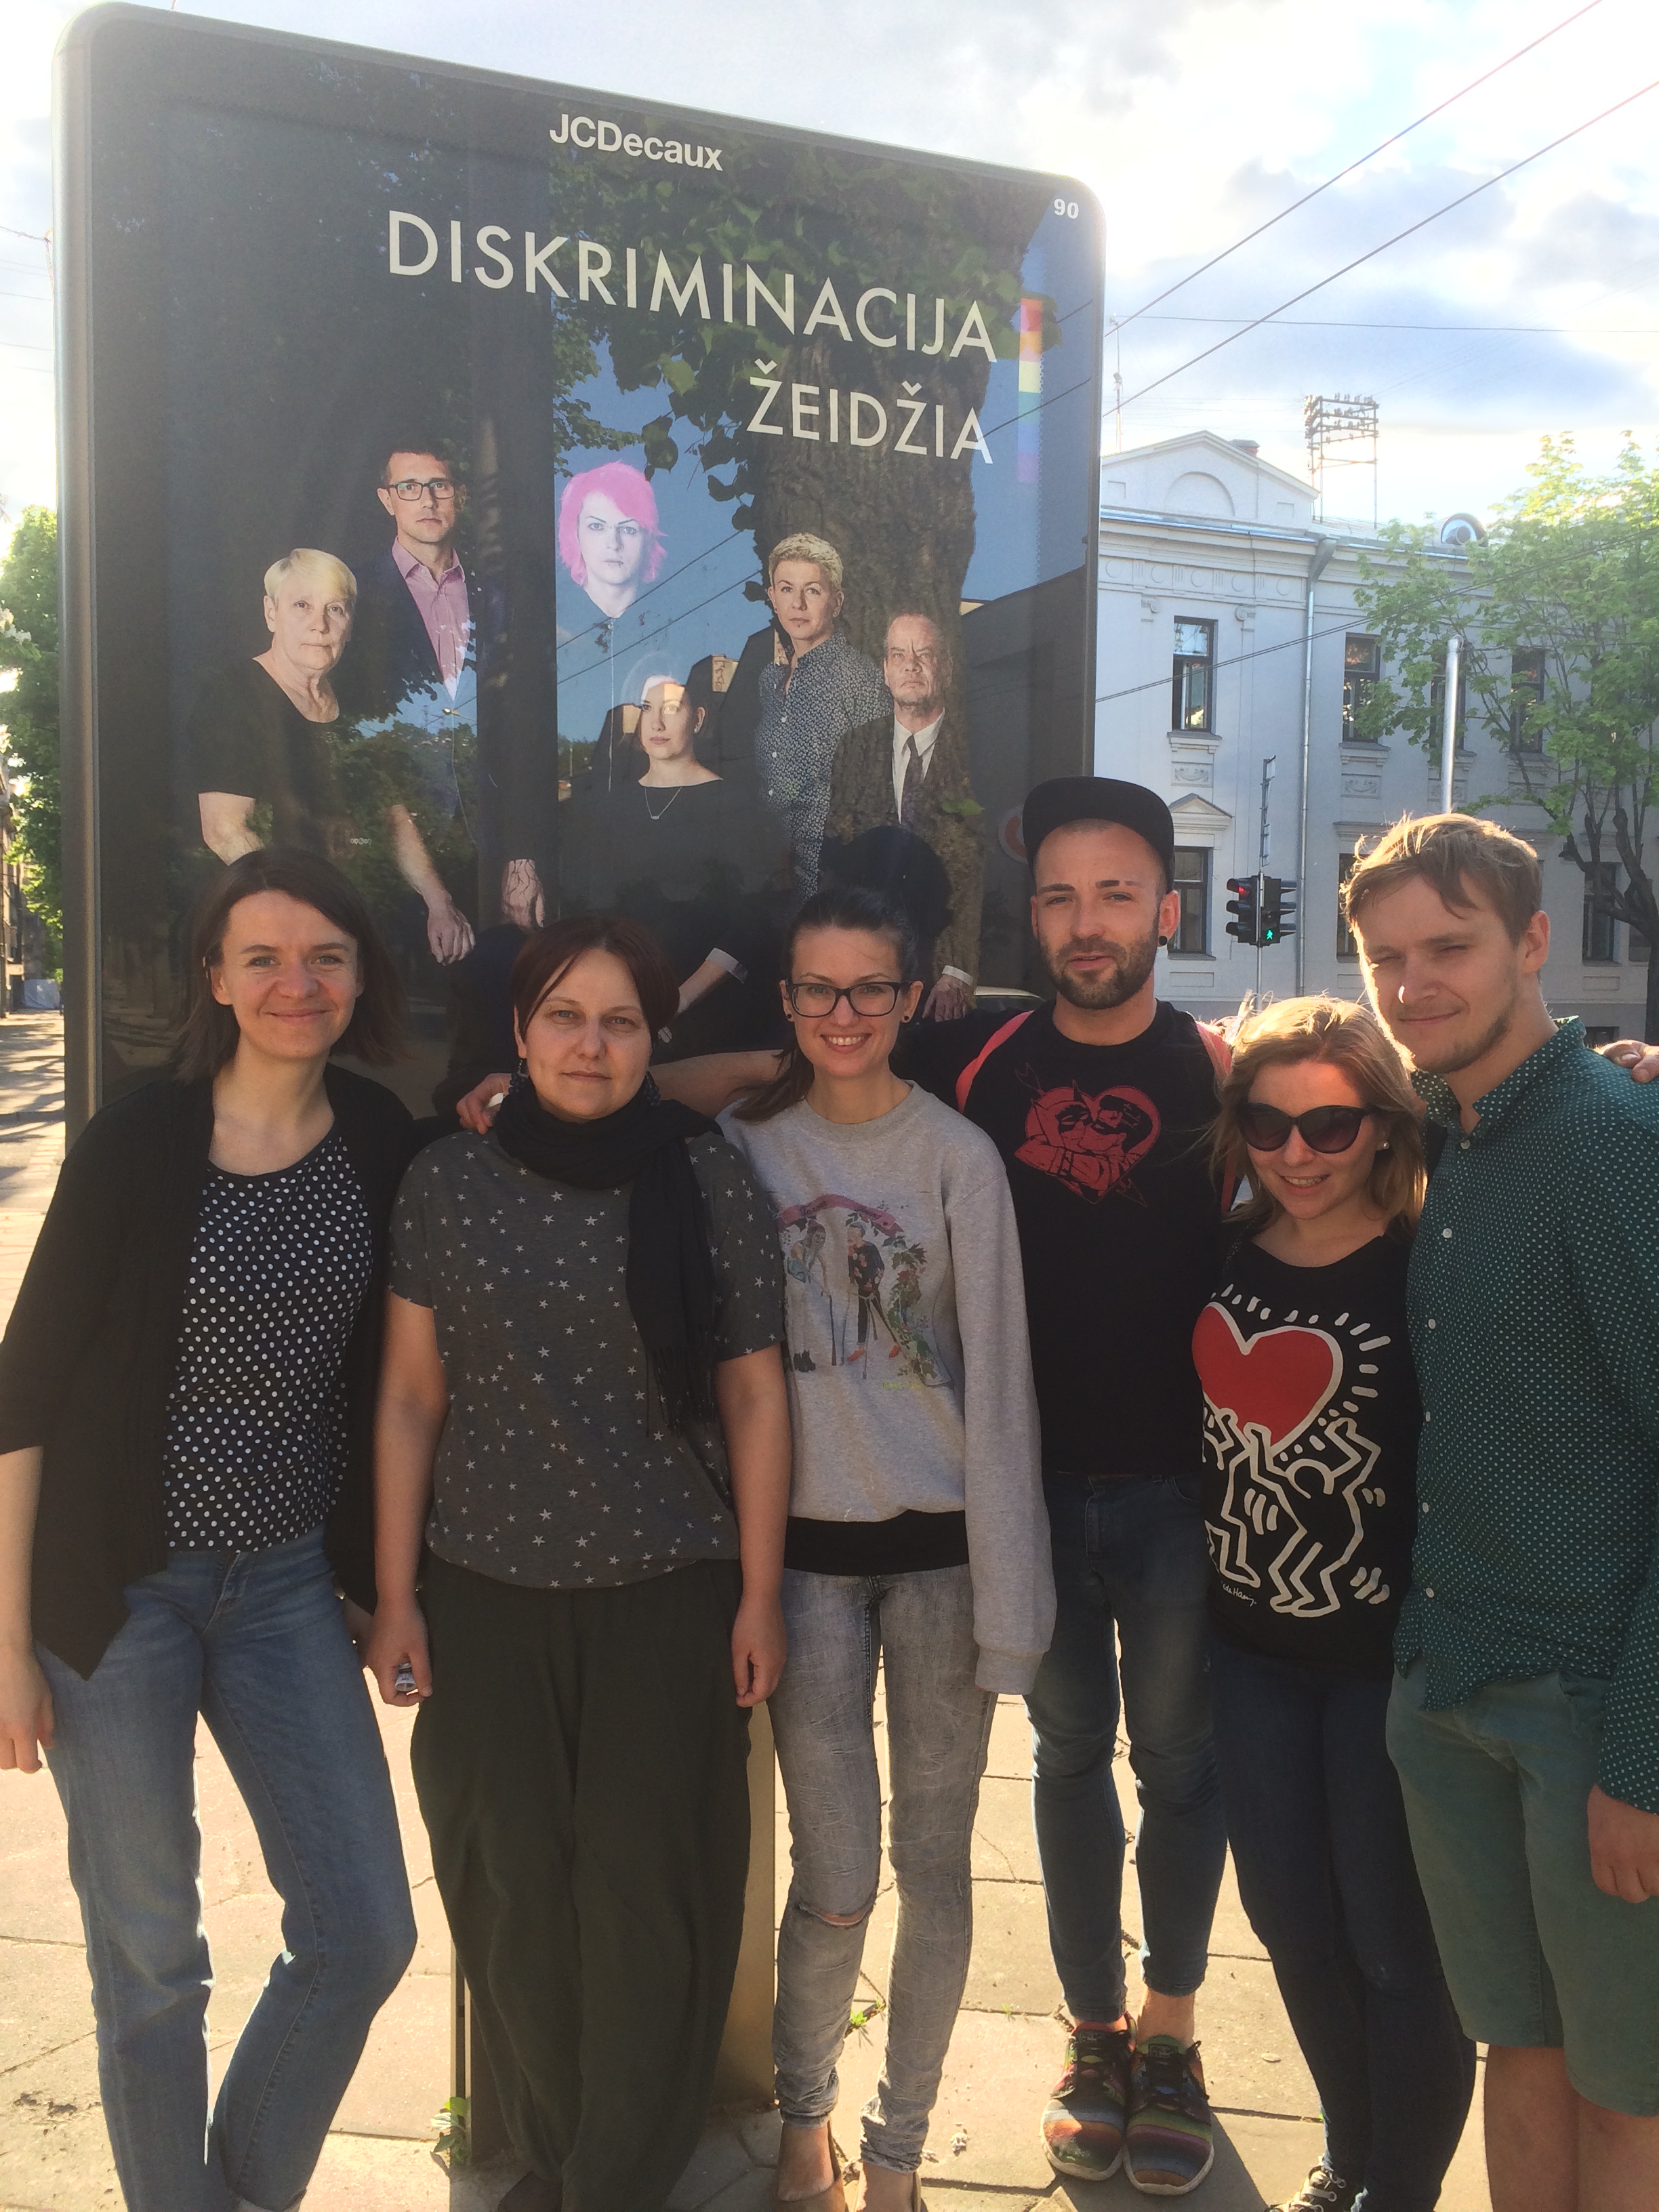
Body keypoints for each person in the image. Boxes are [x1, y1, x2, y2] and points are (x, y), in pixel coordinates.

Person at [0, 849, 421, 2212]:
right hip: (117, 1592)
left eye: (326, 957)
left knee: (363, 1933)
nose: (297, 983)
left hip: (286, 1587)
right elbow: (23, 1389)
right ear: (215, 979)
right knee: (153, 1966)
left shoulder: (381, 1137)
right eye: (263, 957)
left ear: (358, 977)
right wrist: (6, 1641)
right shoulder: (138, 1139)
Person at [364, 913, 791, 2212]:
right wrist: (395, 1594)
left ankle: (617, 2173)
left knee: (647, 1895)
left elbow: (753, 1395)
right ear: (518, 1029)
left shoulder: (708, 1180)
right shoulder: (448, 1182)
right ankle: (556, 2147)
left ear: (653, 1036)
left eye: (618, 1020)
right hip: (484, 1591)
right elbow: (410, 1398)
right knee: (508, 1887)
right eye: (563, 1015)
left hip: (664, 1589)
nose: (589, 1045)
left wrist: (759, 1594)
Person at [1340, 813, 1659, 2212]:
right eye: (1384, 956)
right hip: (1448, 1686)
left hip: (1589, 1710)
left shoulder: (1609, 1142)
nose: (1414, 984)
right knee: (1516, 2051)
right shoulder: (1454, 1133)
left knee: (1625, 2090)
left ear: (1532, 943)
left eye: (1449, 947)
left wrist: (1641, 1759)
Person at [718, 883, 1052, 2212]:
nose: (843, 1012)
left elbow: (1003, 1382)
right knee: (836, 1877)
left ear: (911, 997)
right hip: (798, 1568)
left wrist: (1011, 1607)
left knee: (934, 1865)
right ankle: (807, 2117)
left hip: (939, 1566)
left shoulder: (956, 1156)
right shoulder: (744, 1147)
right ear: (786, 999)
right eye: (817, 987)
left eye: (869, 987)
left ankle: (899, 2145)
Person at [1196, 996, 1474, 2212]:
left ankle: (1394, 2192)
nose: (1296, 1152)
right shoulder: (1224, 1247)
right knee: (1288, 1923)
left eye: (1328, 1125)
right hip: (1248, 1650)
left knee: (1393, 1945)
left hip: (1383, 1663)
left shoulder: (1425, 1264)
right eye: (1267, 1123)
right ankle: (1350, 2158)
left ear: (1383, 1126)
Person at [191, 547, 475, 965]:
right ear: (271, 613)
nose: (320, 625)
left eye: (335, 610)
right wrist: (305, 916)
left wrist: (439, 903)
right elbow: (225, 831)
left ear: (350, 625)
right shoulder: (233, 697)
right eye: (301, 606)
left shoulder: (356, 709)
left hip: (348, 922)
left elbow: (392, 815)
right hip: (268, 932)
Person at [352, 440, 548, 937]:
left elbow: (523, 729)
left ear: (458, 495)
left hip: (489, 851)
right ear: (386, 499)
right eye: (410, 487)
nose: (427, 500)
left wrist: (522, 854)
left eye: (439, 485)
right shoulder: (354, 596)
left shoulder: (497, 600)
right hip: (387, 847)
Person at [564, 674, 790, 1058]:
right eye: (647, 709)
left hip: (714, 1016)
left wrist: (680, 1000)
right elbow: (597, 914)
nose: (656, 723)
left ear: (698, 719)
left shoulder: (737, 806)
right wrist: (622, 1001)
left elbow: (752, 922)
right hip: (622, 1008)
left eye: (671, 709)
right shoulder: (609, 809)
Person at [822, 611, 983, 1021]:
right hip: (865, 971)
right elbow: (837, 856)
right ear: (886, 670)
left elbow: (985, 867)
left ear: (946, 669)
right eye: (898, 655)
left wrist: (957, 970)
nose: (911, 665)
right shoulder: (854, 747)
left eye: (924, 654)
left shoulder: (981, 751)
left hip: (943, 982)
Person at [752, 533, 886, 893]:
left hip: (830, 883)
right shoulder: (769, 682)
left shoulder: (859, 679)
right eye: (786, 589)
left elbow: (876, 794)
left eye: (812, 591)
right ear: (773, 598)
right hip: (767, 881)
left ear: (836, 602)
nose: (797, 604)